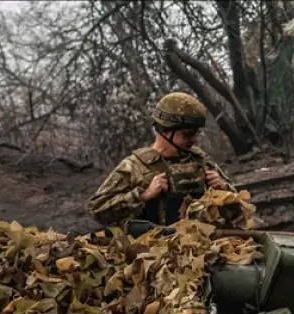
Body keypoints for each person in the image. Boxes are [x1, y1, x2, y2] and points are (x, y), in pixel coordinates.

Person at [87, 92, 236, 229]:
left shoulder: (201, 161)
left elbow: (239, 205)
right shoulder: (135, 166)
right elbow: (97, 209)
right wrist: (143, 195)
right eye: (187, 134)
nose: (194, 140)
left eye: (196, 133)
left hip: (202, 248)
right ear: (165, 131)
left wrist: (224, 189)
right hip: (154, 252)